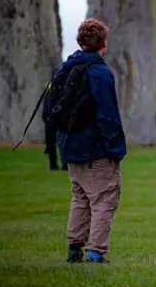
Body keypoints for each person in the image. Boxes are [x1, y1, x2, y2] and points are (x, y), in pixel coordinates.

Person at [54, 19, 126, 264]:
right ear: (103, 43)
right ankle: (95, 252)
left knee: (80, 197)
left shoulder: (65, 69)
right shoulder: (100, 73)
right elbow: (107, 115)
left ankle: (74, 249)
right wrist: (116, 149)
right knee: (104, 198)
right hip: (95, 148)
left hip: (70, 146)